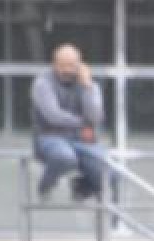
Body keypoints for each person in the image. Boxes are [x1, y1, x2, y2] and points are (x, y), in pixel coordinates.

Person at [30, 43, 105, 201]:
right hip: (49, 137)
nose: (68, 70)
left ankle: (81, 188)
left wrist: (88, 87)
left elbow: (96, 117)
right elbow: (54, 116)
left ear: (80, 65)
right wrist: (83, 123)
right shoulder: (42, 83)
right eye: (63, 65)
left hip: (82, 140)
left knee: (108, 171)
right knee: (64, 157)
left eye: (72, 65)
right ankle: (45, 186)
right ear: (54, 64)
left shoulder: (90, 85)